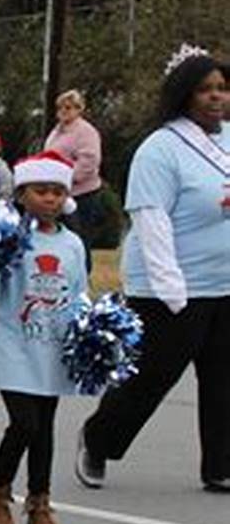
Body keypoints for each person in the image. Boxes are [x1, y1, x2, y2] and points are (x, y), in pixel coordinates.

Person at [76, 46, 229, 493]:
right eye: (205, 89)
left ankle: (220, 464)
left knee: (223, 379)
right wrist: (171, 288)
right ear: (183, 94)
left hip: (223, 284)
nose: (216, 97)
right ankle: (99, 438)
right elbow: (152, 220)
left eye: (222, 88)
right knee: (152, 376)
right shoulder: (160, 149)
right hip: (170, 286)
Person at [0, 151, 88, 524]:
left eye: (57, 191)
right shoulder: (9, 236)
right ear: (22, 193)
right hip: (13, 346)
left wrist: (91, 330)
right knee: (25, 422)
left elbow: (79, 293)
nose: (50, 199)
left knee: (44, 429)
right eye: (41, 191)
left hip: (52, 348)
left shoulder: (72, 244)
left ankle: (39, 504)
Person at [44, 90, 104, 273]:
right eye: (60, 107)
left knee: (79, 239)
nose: (63, 111)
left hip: (82, 195)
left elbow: (89, 162)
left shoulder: (86, 132)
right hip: (58, 193)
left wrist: (65, 180)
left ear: (79, 109)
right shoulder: (57, 131)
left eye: (68, 107)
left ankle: (82, 278)